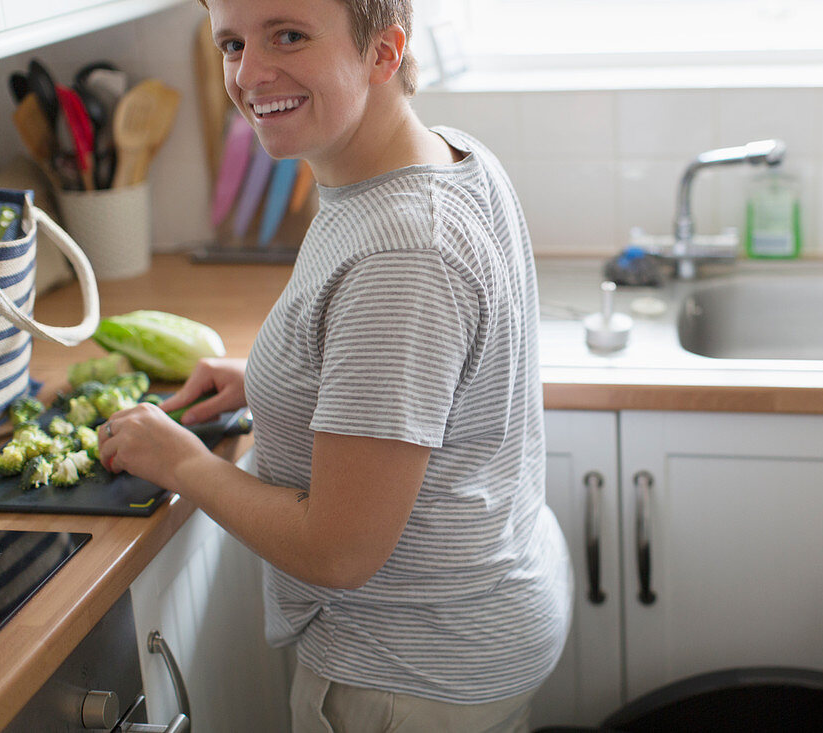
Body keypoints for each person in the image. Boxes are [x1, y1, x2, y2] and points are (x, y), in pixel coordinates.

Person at [96, 0, 573, 729]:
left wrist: (182, 462)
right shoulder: (436, 155)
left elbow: (339, 549)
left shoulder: (401, 250)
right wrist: (271, 378)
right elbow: (420, 375)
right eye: (231, 43)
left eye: (287, 35)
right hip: (482, 617)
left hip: (410, 673)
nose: (249, 74)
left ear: (383, 53)